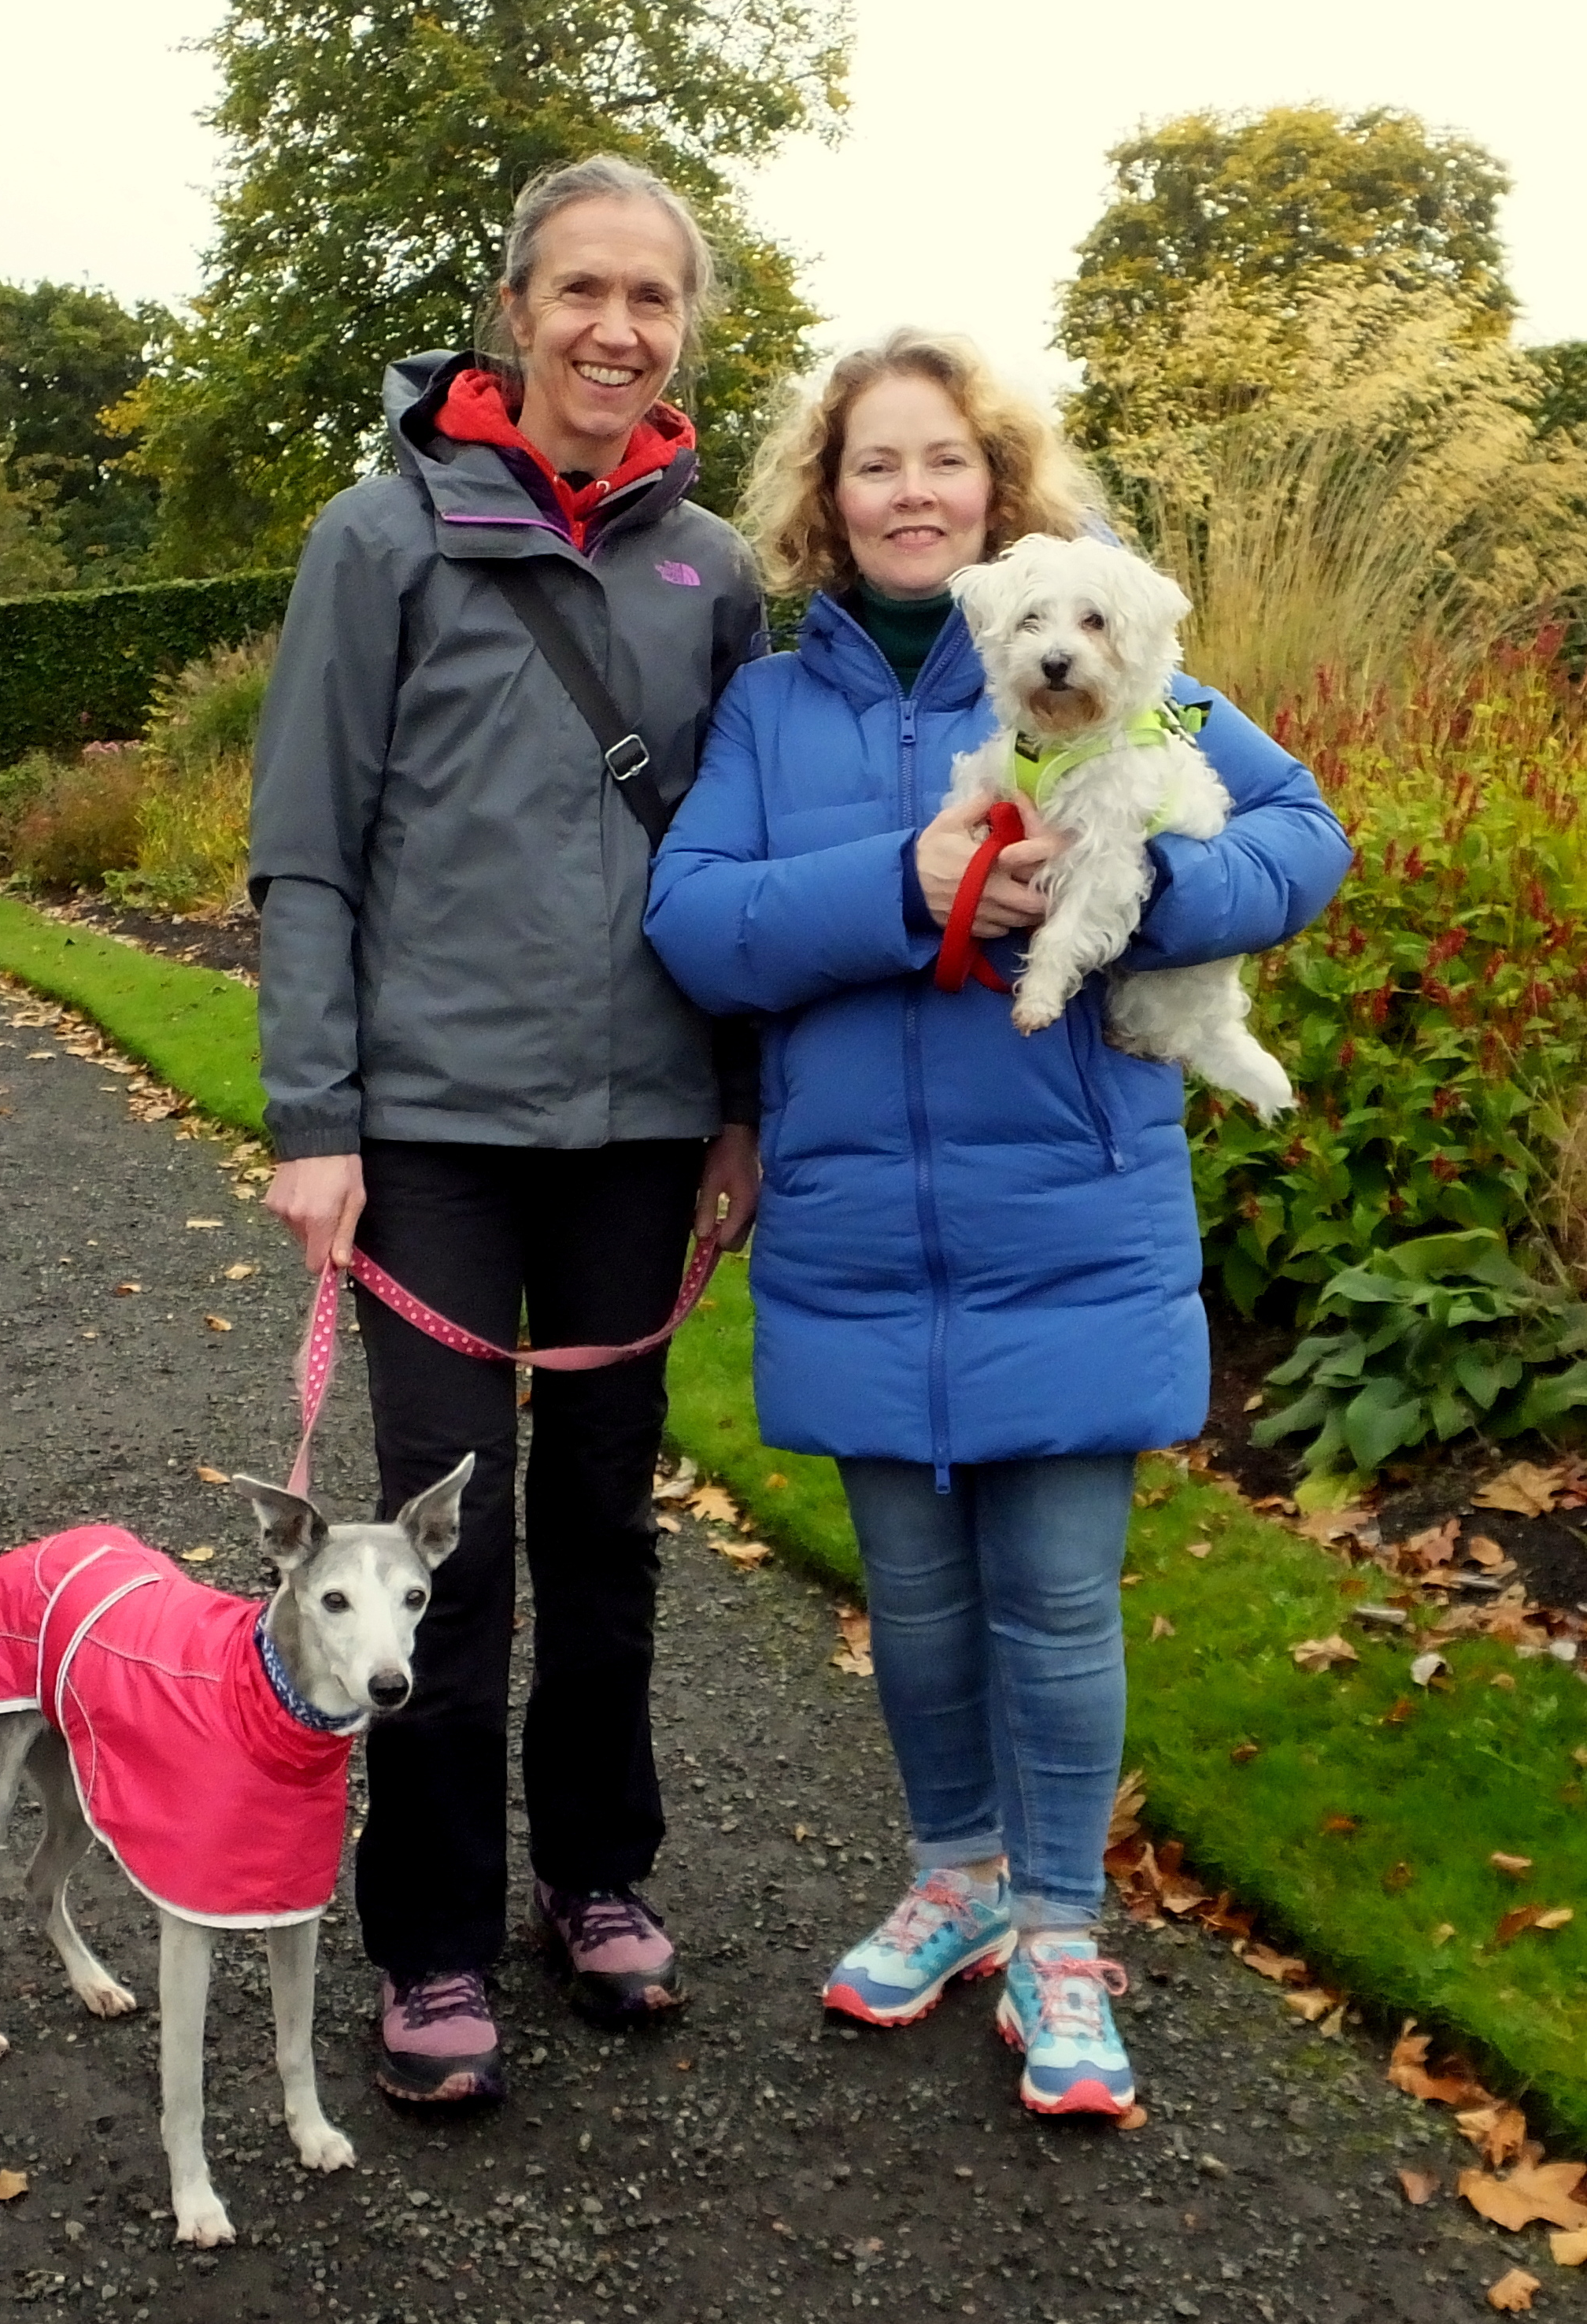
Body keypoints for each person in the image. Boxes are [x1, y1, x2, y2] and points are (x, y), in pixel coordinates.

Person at [645, 331, 1351, 2116]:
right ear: (827, 497)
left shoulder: (1125, 682)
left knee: (1050, 1602)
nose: (908, 493)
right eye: (872, 464)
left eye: (941, 461)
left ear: (996, 488)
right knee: (917, 1605)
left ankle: (1057, 1929)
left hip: (1072, 1209)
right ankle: (951, 1877)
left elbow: (1298, 832)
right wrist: (906, 883)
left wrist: (1155, 897)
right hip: (859, 1229)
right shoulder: (771, 706)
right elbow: (697, 921)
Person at [248, 155, 766, 2107]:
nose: (615, 330)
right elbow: (306, 851)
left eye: (651, 299)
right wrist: (319, 1118)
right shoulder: (377, 541)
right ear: (513, 311)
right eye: (580, 293)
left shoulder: (715, 570)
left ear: (683, 328)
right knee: (442, 1548)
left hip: (641, 1134)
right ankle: (436, 1940)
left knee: (605, 1534)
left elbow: (739, 866)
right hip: (439, 1137)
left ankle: (599, 1877)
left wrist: (734, 1113)